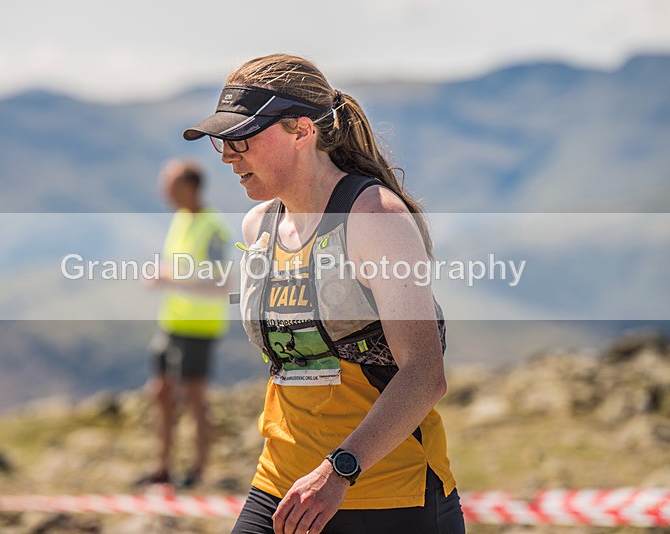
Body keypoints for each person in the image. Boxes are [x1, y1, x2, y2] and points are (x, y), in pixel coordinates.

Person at [183, 54, 464, 533]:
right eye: (221, 141)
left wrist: (338, 471)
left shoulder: (372, 217)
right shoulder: (259, 227)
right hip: (282, 488)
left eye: (243, 137)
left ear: (302, 130)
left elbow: (424, 374)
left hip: (389, 496)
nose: (229, 156)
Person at [139, 159, 230, 489]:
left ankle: (198, 470)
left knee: (194, 400)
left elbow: (222, 284)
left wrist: (171, 279)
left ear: (190, 187)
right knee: (160, 392)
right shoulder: (179, 220)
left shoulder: (214, 227)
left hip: (199, 328)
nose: (165, 192)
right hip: (171, 323)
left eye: (171, 185)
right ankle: (161, 468)